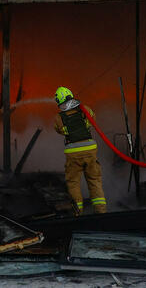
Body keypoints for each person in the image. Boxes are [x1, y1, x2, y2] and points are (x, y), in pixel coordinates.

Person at [52, 86, 107, 215]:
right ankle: (101, 212)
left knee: (73, 183)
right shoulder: (85, 109)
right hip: (90, 149)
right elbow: (92, 118)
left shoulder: (59, 118)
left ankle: (78, 213)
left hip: (73, 153)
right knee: (94, 180)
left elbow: (58, 130)